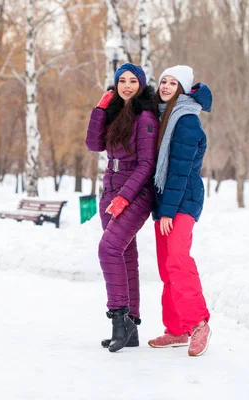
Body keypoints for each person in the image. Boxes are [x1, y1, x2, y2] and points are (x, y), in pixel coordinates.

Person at [85, 63, 159, 352]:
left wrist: (126, 197)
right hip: (111, 189)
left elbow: (147, 164)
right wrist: (100, 110)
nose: (126, 86)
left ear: (140, 85)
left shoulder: (145, 117)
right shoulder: (115, 112)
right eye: (121, 81)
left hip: (136, 192)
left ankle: (119, 319)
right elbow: (94, 145)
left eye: (132, 81)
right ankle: (131, 327)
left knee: (109, 249)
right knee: (125, 254)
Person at [147, 65, 213, 357]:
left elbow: (180, 171)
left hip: (181, 202)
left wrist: (168, 212)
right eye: (163, 81)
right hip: (167, 203)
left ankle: (198, 323)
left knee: (177, 260)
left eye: (173, 83)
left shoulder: (185, 120)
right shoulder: (165, 116)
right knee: (166, 266)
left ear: (183, 89)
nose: (166, 86)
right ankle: (176, 330)